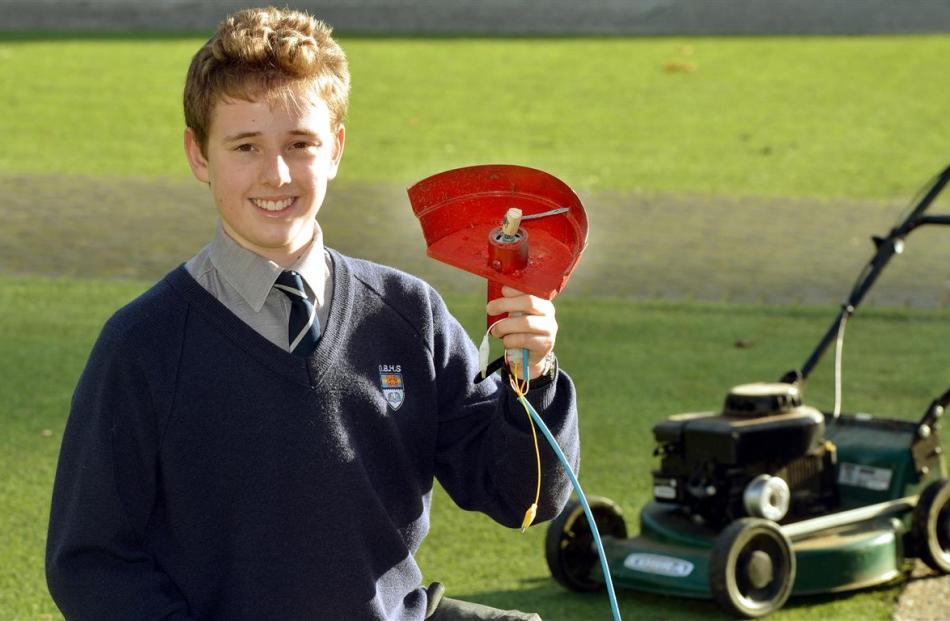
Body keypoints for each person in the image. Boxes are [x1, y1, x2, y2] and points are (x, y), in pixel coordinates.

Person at [45, 6, 578, 620]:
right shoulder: (143, 344)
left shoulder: (409, 314)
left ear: (336, 149)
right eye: (245, 146)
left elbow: (523, 496)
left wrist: (533, 375)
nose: (276, 173)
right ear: (199, 155)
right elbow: (90, 563)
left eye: (300, 144)